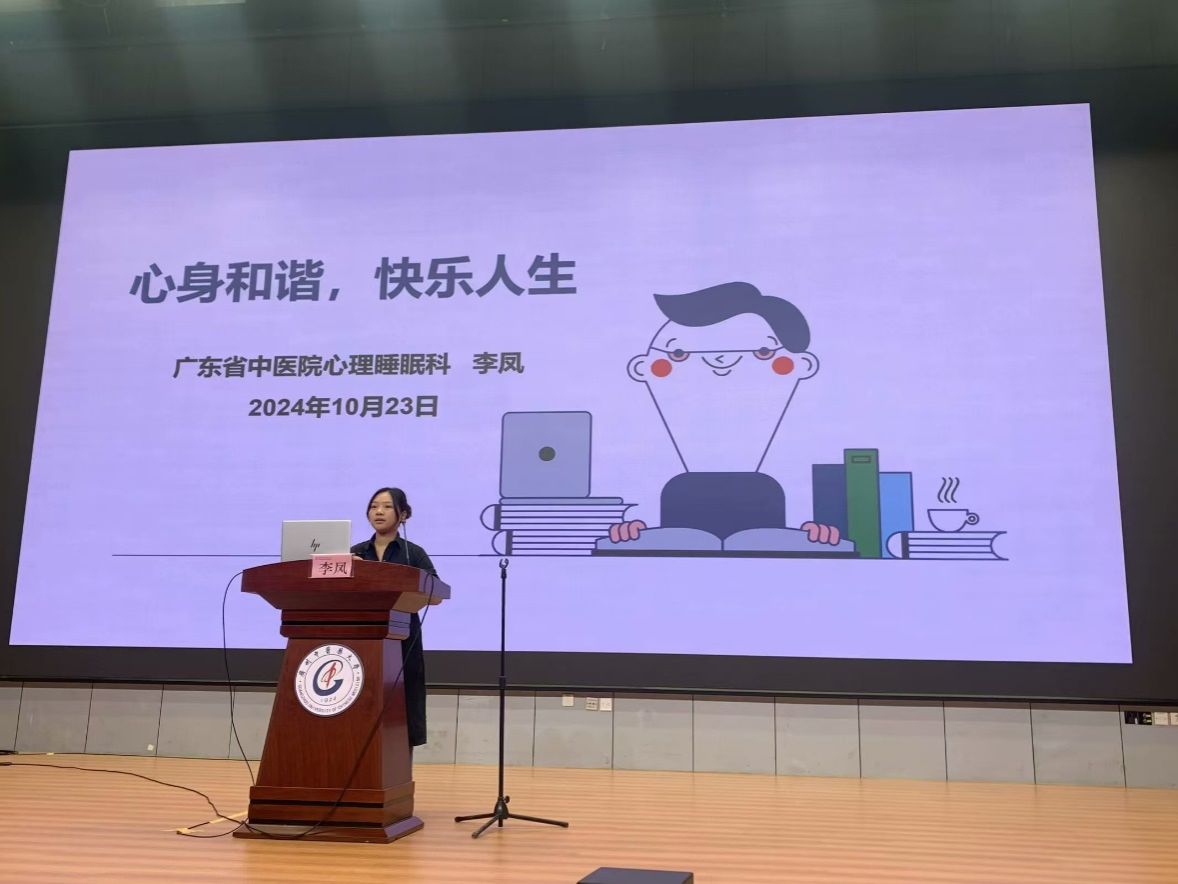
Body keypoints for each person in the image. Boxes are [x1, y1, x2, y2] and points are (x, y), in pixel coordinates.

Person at [350, 486, 437, 752]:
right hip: (360, 638)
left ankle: (399, 764)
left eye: (387, 507)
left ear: (403, 515)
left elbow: (435, 593)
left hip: (403, 638)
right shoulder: (355, 553)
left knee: (402, 701)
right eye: (374, 506)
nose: (379, 511)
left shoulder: (413, 553)